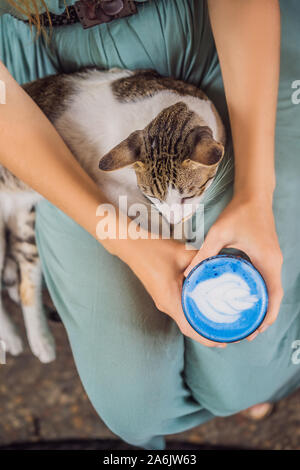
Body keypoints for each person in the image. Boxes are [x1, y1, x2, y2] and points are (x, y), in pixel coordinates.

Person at [0, 0, 299, 450]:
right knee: (134, 412)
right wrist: (128, 243)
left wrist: (255, 195)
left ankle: (253, 385)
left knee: (244, 377)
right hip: (33, 74)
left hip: (201, 35)